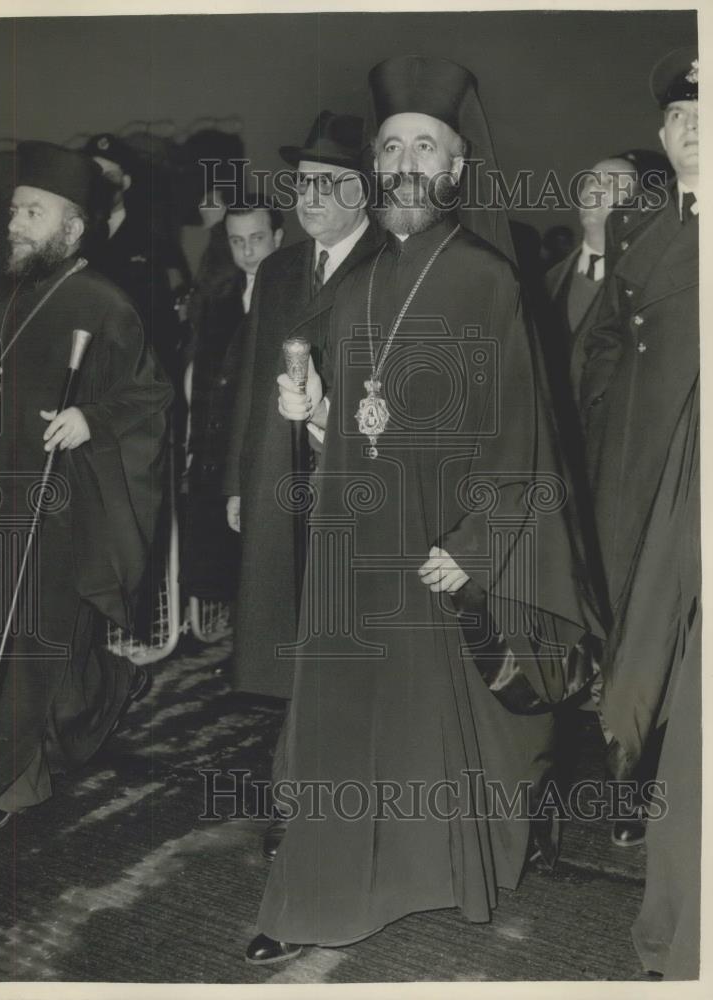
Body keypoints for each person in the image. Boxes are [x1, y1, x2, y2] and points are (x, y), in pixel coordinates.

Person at [246, 55, 601, 964]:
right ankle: (311, 900)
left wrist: (475, 546)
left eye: (425, 146)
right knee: (337, 718)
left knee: (433, 729)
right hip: (352, 541)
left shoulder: (488, 278)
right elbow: (359, 432)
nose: (406, 160)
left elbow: (523, 433)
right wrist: (315, 412)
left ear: (453, 169)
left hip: (437, 543)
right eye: (392, 145)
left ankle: (421, 876)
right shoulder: (358, 284)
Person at [0, 141, 172, 837]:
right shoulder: (1, 294)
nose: (15, 222)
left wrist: (89, 418)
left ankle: (1, 786)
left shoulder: (106, 305)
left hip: (58, 502)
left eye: (32, 212)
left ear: (71, 228)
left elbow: (150, 400)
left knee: (27, 645)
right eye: (16, 209)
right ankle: (104, 689)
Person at [580, 47, 699, 970]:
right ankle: (628, 781)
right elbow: (614, 353)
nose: (690, 123)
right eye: (676, 116)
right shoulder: (641, 230)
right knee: (634, 649)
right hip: (640, 470)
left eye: (707, 110)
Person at [223, 111, 382, 702]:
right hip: (276, 467)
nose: (309, 197)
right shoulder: (277, 269)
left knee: (346, 617)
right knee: (281, 611)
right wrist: (238, 484)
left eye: (328, 183)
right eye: (303, 182)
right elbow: (251, 378)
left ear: (364, 190)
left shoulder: (392, 262)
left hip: (350, 469)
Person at [182, 202, 283, 603]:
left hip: (269, 452)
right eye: (237, 241)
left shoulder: (300, 295)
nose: (247, 251)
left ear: (278, 237)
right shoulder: (219, 301)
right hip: (222, 456)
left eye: (257, 239)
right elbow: (204, 385)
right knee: (227, 572)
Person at [82, 133, 182, 383]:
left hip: (138, 369)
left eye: (110, 175)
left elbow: (169, 316)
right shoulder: (80, 237)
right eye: (95, 174)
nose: (102, 184)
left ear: (125, 182)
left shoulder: (152, 237)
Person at [544, 157, 637, 401]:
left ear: (636, 205)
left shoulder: (643, 288)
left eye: (612, 182)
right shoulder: (540, 284)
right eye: (590, 180)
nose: (596, 187)